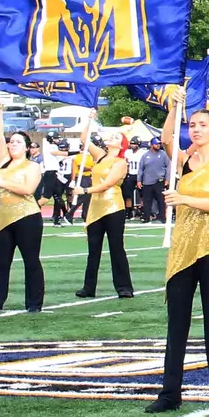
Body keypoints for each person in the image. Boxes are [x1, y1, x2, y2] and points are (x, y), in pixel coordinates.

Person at [147, 99, 209, 415]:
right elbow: (166, 138)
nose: (196, 130)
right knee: (176, 326)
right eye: (193, 125)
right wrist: (175, 107)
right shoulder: (183, 160)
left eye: (203, 125)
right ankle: (169, 394)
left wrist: (183, 197)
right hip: (182, 251)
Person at [0, 112, 45, 314]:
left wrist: (2, 183)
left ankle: (34, 303)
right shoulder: (3, 161)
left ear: (27, 147)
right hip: (3, 218)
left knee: (31, 260)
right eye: (12, 142)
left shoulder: (33, 166)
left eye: (18, 142)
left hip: (27, 216)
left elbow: (28, 189)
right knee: (1, 262)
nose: (13, 145)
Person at [75, 122, 135, 300]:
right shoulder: (100, 155)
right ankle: (89, 287)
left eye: (117, 137)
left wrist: (85, 190)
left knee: (116, 247)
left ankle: (124, 287)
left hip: (113, 207)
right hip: (96, 206)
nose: (112, 137)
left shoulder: (120, 163)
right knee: (93, 249)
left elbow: (107, 184)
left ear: (121, 146)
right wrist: (90, 119)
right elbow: (84, 139)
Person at [136, 138, 169, 223]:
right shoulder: (145, 155)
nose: (158, 145)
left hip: (159, 180)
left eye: (159, 144)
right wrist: (139, 180)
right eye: (156, 144)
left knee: (161, 200)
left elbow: (168, 167)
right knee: (147, 201)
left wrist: (167, 178)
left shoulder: (163, 154)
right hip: (147, 181)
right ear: (151, 145)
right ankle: (146, 217)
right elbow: (141, 168)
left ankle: (162, 217)